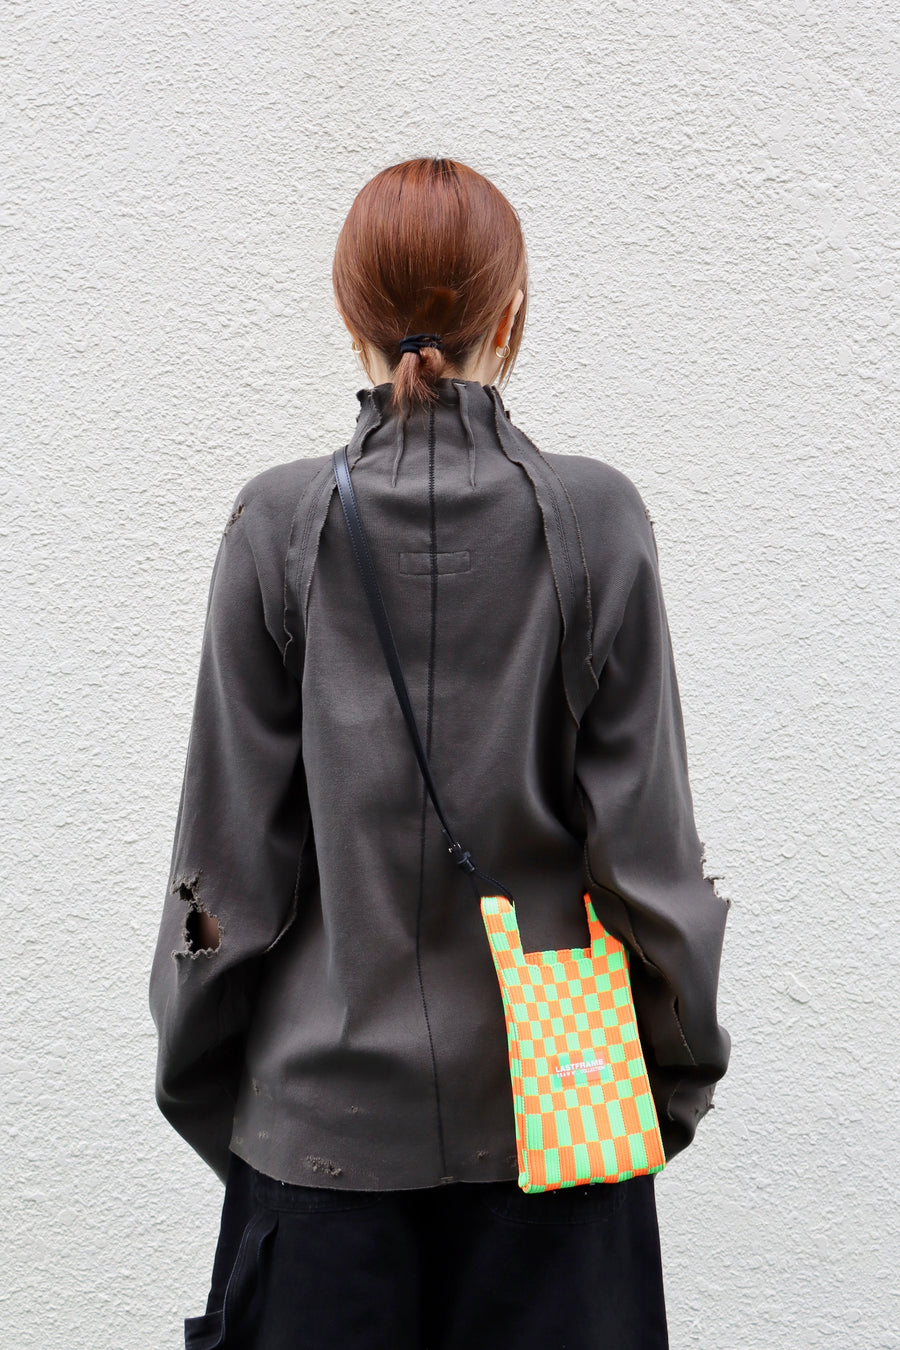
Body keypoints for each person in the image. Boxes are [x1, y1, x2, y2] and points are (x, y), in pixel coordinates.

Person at [149, 156, 731, 1350]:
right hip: (560, 1143)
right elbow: (650, 869)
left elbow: (222, 884)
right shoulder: (599, 522)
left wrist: (239, 1106)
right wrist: (665, 1089)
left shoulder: (274, 528)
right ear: (510, 316)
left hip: (316, 1156)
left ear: (348, 313)